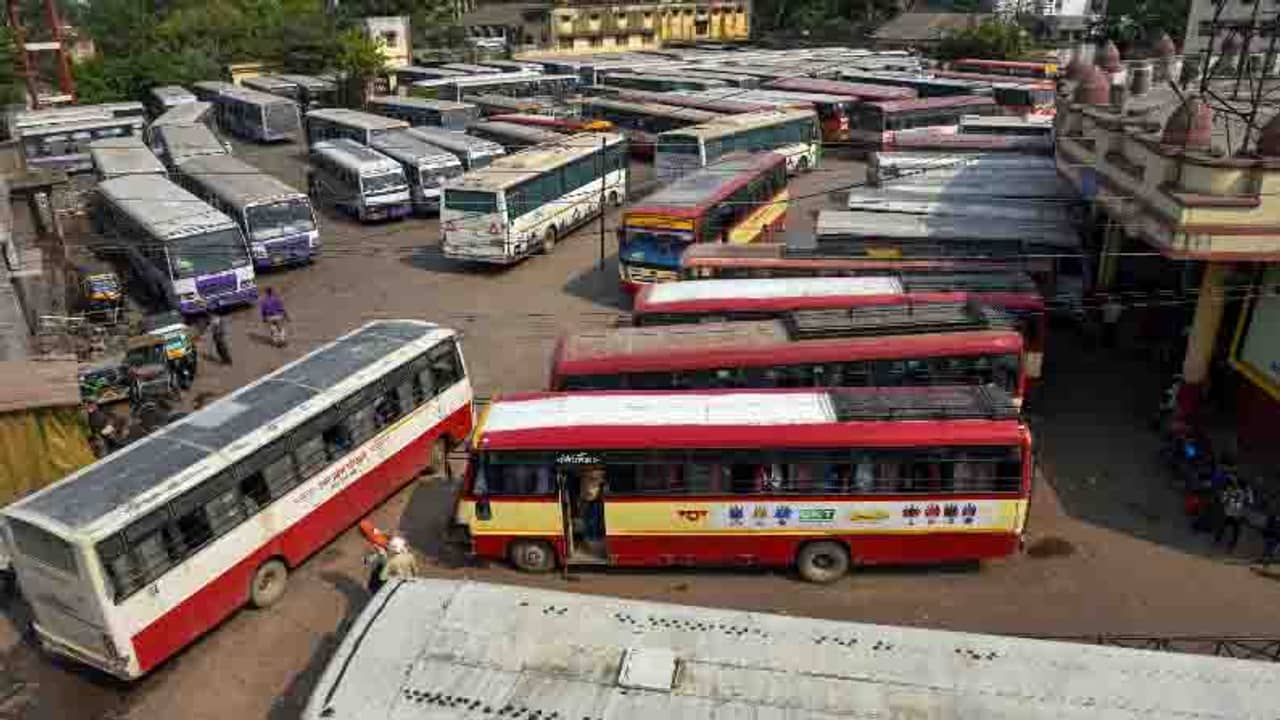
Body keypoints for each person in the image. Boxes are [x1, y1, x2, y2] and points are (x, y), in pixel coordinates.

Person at [1214, 480, 1253, 553]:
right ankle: (1230, 545)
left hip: (1229, 513)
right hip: (1237, 515)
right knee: (1235, 532)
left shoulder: (1231, 491)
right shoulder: (1244, 493)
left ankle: (1218, 540)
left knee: (1223, 527)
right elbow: (1250, 502)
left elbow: (1222, 500)